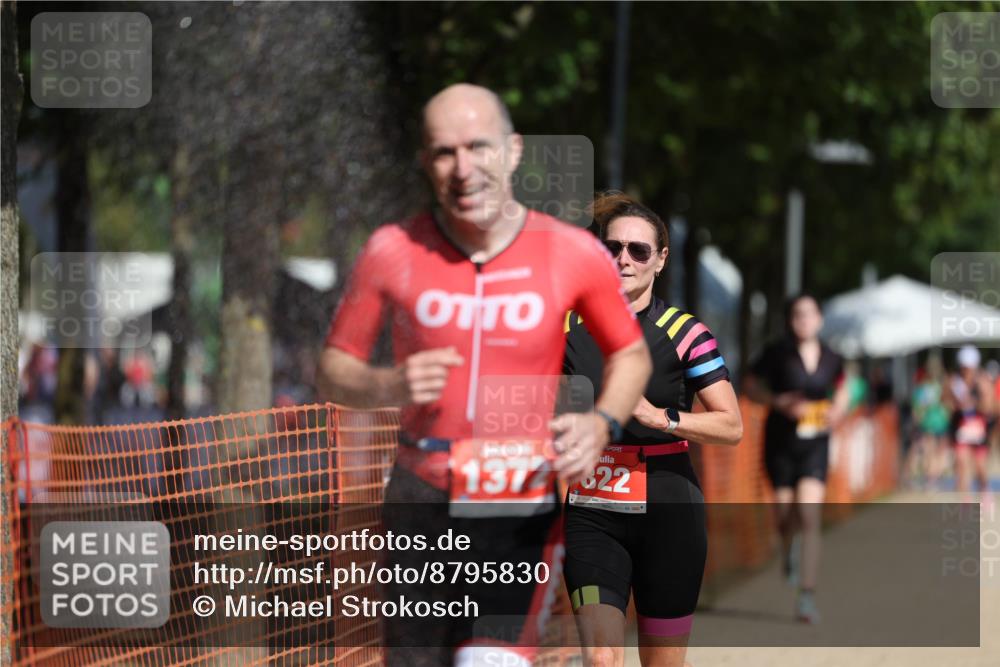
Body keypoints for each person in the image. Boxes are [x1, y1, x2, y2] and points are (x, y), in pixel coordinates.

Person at [317, 84, 652, 667]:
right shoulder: (391, 250)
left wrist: (602, 423)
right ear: (424, 162)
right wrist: (387, 386)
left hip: (517, 495)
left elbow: (631, 354)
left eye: (478, 147)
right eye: (444, 152)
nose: (463, 169)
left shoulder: (571, 252)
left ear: (513, 151)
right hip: (420, 495)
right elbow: (332, 367)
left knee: (488, 662)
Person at [560, 193, 742, 667]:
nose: (624, 258)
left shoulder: (686, 333)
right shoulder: (566, 328)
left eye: (638, 250)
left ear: (660, 260)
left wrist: (662, 418)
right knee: (601, 657)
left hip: (670, 511)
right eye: (612, 247)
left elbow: (732, 425)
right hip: (592, 508)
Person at [745, 294, 849, 624]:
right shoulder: (777, 353)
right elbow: (748, 385)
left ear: (819, 319)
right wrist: (777, 402)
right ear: (790, 321)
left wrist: (839, 409)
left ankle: (806, 596)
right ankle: (787, 548)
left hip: (815, 444)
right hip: (780, 444)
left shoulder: (833, 357)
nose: (803, 321)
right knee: (784, 514)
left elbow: (844, 385)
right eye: (796, 315)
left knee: (809, 515)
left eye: (809, 315)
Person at [944, 345, 995, 495]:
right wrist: (955, 405)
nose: (966, 370)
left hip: (978, 428)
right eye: (964, 367)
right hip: (961, 428)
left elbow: (989, 407)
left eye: (969, 367)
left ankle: (985, 490)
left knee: (980, 467)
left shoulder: (982, 381)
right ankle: (965, 502)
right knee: (961, 463)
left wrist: (975, 403)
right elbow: (946, 402)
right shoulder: (954, 381)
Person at [906, 355, 950, 490]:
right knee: (932, 452)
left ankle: (931, 477)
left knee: (932, 451)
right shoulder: (935, 387)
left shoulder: (929, 388)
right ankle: (931, 478)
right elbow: (918, 409)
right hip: (933, 424)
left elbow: (917, 409)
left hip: (935, 424)